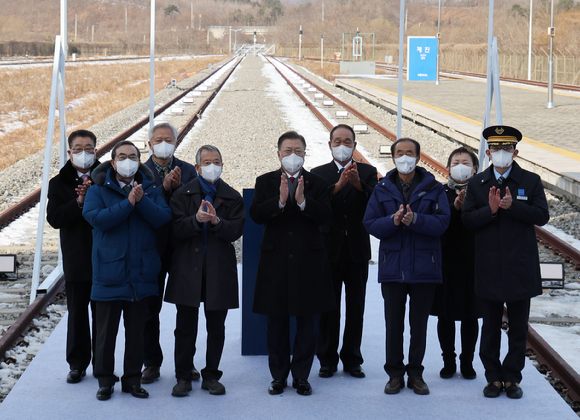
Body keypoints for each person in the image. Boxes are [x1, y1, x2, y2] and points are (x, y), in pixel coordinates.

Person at [462, 125, 549, 399]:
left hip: (520, 266)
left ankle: (512, 377)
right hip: (488, 267)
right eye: (496, 148)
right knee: (489, 327)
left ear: (516, 152)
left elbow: (542, 215)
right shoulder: (477, 183)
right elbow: (467, 220)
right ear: (488, 152)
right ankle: (492, 378)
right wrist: (490, 210)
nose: (501, 153)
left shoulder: (531, 180)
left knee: (518, 327)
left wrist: (514, 207)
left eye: (507, 148)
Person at [83, 140, 172, 401]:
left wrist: (140, 200)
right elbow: (97, 219)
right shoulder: (97, 190)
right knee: (105, 333)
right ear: (113, 162)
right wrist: (128, 203)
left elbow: (162, 218)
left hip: (141, 274)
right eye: (122, 156)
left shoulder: (150, 188)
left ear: (139, 160)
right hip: (109, 274)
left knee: (136, 332)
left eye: (133, 156)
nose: (128, 160)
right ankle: (104, 380)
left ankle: (132, 380)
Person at [363, 138, 450, 396]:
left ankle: (416, 374)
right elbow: (370, 223)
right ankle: (394, 374)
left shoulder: (434, 188)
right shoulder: (382, 189)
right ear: (393, 158)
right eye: (399, 153)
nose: (404, 157)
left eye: (409, 153)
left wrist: (416, 220)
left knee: (419, 324)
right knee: (394, 324)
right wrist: (393, 221)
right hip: (393, 268)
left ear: (418, 157)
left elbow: (443, 223)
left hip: (425, 268)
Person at [250, 131, 334, 396]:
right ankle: (278, 376)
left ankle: (301, 376)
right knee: (276, 322)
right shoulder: (265, 181)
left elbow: (325, 216)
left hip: (309, 262)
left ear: (305, 154)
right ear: (278, 154)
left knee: (308, 322)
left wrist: (302, 202)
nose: (293, 156)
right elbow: (256, 214)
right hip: (275, 262)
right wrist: (280, 201)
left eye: (298, 150)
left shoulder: (317, 183)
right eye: (287, 151)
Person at [165, 145, 245, 397]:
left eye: (217, 161)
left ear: (222, 165)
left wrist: (216, 222)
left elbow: (236, 231)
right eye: (207, 162)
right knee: (185, 324)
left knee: (216, 325)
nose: (213, 166)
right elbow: (176, 229)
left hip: (219, 268)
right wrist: (196, 221)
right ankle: (183, 375)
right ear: (197, 167)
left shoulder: (232, 196)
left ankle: (212, 374)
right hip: (188, 267)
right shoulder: (182, 195)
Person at [311, 124, 378, 379]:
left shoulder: (369, 172)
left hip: (357, 249)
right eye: (337, 141)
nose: (342, 145)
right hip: (328, 249)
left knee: (356, 306)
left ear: (355, 146)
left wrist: (359, 185)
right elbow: (316, 207)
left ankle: (352, 358)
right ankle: (327, 359)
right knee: (329, 307)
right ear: (329, 145)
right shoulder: (319, 174)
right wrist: (337, 187)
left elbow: (376, 202)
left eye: (347, 141)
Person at [141, 122, 198, 385]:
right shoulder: (140, 171)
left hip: (182, 248)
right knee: (149, 309)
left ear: (176, 142)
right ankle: (151, 361)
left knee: (186, 309)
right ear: (150, 144)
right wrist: (164, 189)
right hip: (151, 249)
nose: (164, 143)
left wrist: (176, 190)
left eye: (169, 139)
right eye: (158, 139)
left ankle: (186, 362)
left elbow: (194, 205)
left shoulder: (188, 170)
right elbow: (142, 208)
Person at [47, 129, 100, 384]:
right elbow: (55, 218)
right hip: (77, 256)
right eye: (78, 149)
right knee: (78, 312)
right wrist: (78, 202)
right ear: (69, 152)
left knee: (103, 314)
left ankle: (103, 363)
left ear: (96, 151)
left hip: (104, 256)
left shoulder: (106, 176)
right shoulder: (58, 183)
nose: (83, 153)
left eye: (88, 148)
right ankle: (77, 364)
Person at [430, 147, 482, 380]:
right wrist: (455, 209)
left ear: (475, 168)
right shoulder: (438, 191)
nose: (460, 166)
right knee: (446, 313)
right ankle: (448, 360)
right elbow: (435, 222)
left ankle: (468, 361)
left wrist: (467, 210)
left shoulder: (482, 193)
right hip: (446, 261)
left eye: (465, 162)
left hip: (474, 261)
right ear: (448, 167)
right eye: (455, 162)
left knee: (471, 314)